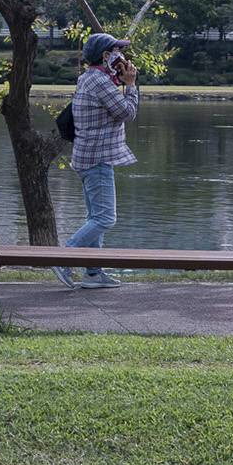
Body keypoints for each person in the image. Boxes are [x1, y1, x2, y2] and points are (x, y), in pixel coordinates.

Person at [55, 31, 139, 289]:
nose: (121, 56)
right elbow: (127, 112)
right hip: (96, 159)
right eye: (117, 51)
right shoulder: (102, 83)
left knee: (95, 217)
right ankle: (64, 258)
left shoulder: (89, 77)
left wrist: (119, 77)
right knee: (105, 219)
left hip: (86, 156)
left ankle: (93, 273)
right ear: (105, 56)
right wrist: (131, 85)